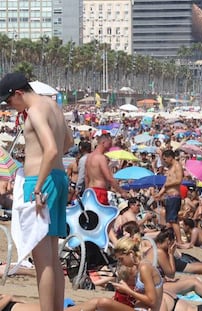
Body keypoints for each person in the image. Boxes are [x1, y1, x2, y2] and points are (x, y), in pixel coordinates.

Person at [0, 73, 74, 311]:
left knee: (43, 260)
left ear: (19, 93)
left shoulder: (35, 111)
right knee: (52, 256)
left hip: (40, 183)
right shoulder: (53, 105)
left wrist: (40, 184)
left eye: (9, 101)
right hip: (58, 179)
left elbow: (52, 149)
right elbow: (68, 142)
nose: (8, 107)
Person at [85, 132, 129, 205]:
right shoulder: (101, 158)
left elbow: (86, 176)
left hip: (90, 191)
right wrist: (122, 192)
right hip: (99, 191)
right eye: (109, 144)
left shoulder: (89, 157)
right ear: (103, 142)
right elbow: (109, 178)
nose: (110, 146)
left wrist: (86, 191)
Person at [154, 149, 184, 244]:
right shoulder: (171, 168)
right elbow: (166, 184)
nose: (164, 161)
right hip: (169, 196)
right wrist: (160, 194)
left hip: (175, 196)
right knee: (169, 221)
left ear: (170, 157)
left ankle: (179, 241)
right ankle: (169, 239)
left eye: (165, 159)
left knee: (173, 220)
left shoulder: (177, 166)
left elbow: (179, 180)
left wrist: (168, 185)